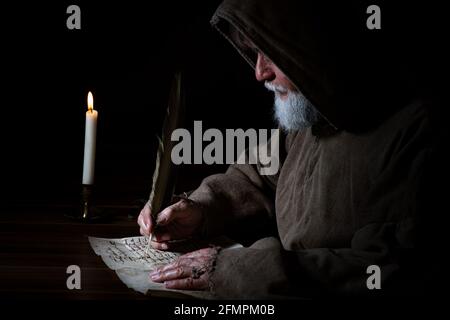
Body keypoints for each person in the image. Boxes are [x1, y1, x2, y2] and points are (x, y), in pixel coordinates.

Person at [138, 0, 444, 298]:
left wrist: (245, 271)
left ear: (313, 45)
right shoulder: (315, 115)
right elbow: (257, 174)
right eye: (255, 51)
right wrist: (201, 208)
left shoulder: (416, 130)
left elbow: (390, 268)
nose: (260, 72)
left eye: (272, 53)